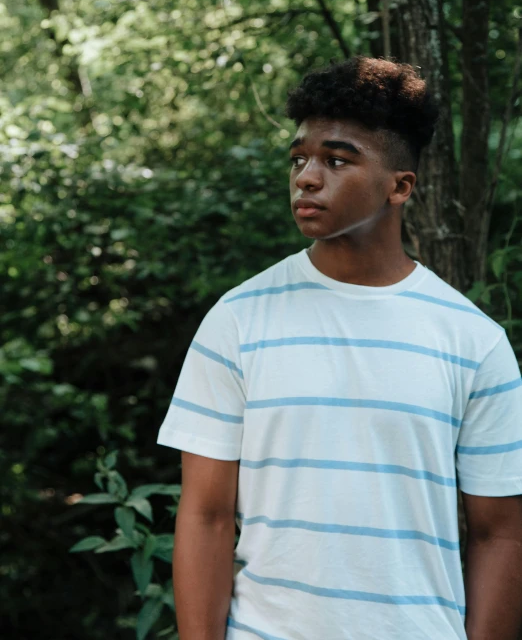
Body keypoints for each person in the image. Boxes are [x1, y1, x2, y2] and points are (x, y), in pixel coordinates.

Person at [157, 56, 522, 640]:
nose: (305, 176)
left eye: (336, 159)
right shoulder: (237, 320)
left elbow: (499, 533)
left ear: (399, 186)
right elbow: (205, 515)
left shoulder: (474, 341)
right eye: (299, 158)